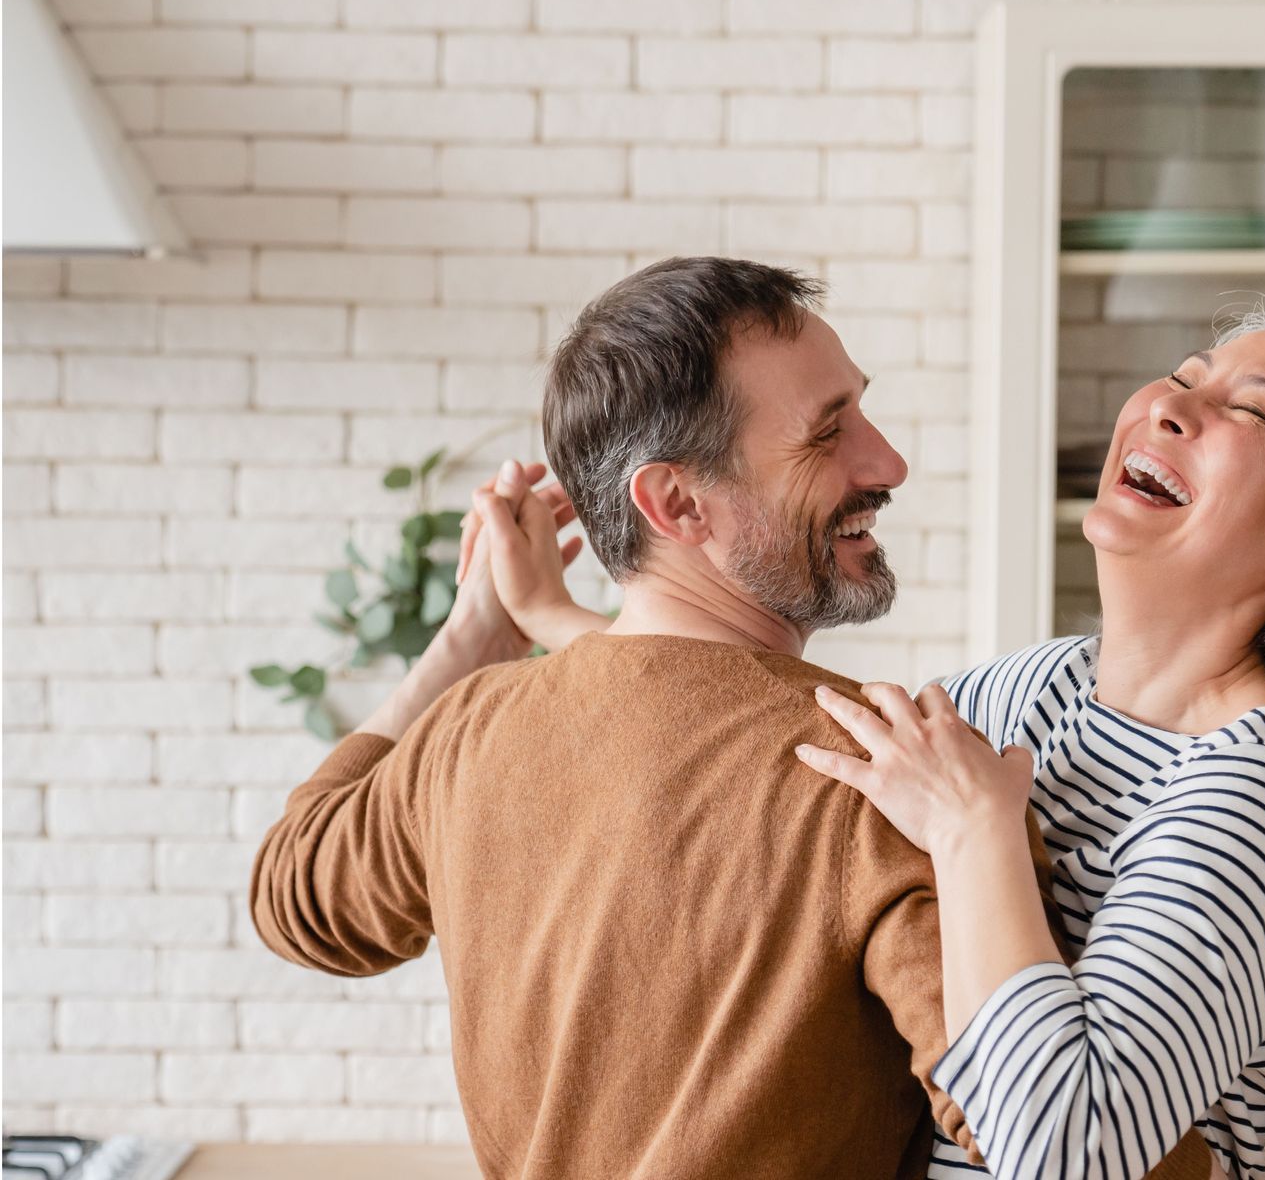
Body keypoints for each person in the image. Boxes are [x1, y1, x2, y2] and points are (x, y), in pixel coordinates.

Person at [472, 280, 1265, 1180]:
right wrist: (555, 615)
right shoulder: (1036, 693)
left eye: (1244, 411)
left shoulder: (1256, 789)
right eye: (1188, 375)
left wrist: (980, 837)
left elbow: (1068, 1147)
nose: (1168, 403)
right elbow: (796, 742)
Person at [254, 258, 1016, 1179]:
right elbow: (1055, 1135)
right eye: (827, 436)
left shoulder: (468, 732)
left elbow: (295, 899)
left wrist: (468, 639)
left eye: (859, 407)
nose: (886, 461)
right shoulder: (885, 775)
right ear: (677, 504)